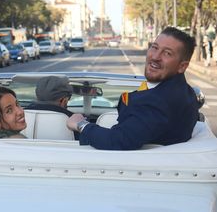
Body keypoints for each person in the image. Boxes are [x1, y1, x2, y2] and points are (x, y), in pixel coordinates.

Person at [67, 26, 199, 150]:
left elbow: (118, 140)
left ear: (182, 66)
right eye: (154, 47)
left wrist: (81, 125)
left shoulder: (157, 102)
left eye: (167, 53)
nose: (155, 57)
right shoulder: (185, 92)